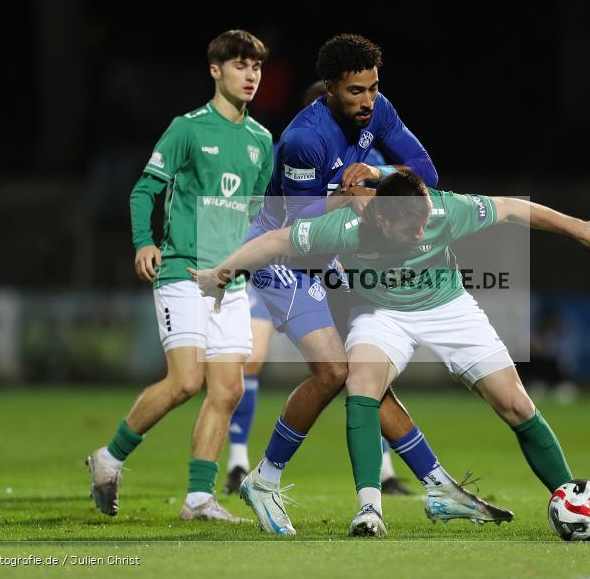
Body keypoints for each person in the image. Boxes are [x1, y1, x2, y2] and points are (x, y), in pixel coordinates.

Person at [191, 170, 590, 536]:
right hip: (381, 311)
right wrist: (224, 270)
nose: (424, 231)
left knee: (515, 403)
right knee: (361, 383)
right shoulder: (349, 225)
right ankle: (369, 509)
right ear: (382, 222)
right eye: (413, 229)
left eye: (425, 222)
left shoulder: (442, 210)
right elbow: (275, 242)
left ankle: (571, 499)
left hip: (448, 307)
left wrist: (580, 229)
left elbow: (512, 208)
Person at [207, 34, 510, 535]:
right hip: (283, 254)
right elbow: (299, 226)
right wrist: (347, 197)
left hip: (331, 256)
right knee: (332, 371)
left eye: (372, 88)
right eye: (355, 91)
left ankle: (436, 484)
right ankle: (263, 478)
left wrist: (376, 174)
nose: (368, 100)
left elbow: (426, 172)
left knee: (367, 376)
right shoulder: (306, 139)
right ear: (330, 88)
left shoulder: (378, 110)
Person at [86, 29, 273, 522]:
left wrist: (246, 264)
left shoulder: (261, 140)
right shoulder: (187, 128)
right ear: (215, 70)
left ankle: (197, 499)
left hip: (227, 282)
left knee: (228, 390)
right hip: (183, 271)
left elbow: (253, 214)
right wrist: (143, 241)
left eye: (255, 67)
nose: (250, 75)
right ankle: (108, 458)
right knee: (186, 381)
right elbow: (143, 191)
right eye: (239, 65)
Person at [222, 78, 411, 496]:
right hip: (273, 259)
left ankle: (385, 472)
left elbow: (397, 194)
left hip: (327, 265)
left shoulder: (367, 155)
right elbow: (280, 216)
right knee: (256, 362)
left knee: (363, 361)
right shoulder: (290, 151)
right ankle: (240, 463)